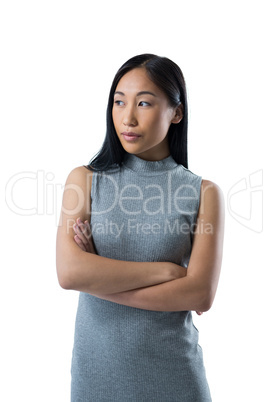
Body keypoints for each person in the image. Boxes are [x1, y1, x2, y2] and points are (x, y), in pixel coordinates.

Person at [56, 53, 225, 401]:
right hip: (96, 383)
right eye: (119, 102)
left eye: (144, 103)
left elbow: (199, 295)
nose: (128, 117)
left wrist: (98, 281)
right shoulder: (84, 181)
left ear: (176, 113)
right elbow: (70, 273)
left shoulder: (203, 193)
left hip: (176, 380)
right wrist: (165, 271)